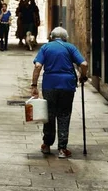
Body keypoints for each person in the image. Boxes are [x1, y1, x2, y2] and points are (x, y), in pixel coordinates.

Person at [31, 27, 88, 159]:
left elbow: (38, 66)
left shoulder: (46, 48)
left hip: (49, 85)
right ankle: (62, 149)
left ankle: (46, 145)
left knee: (49, 115)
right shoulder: (70, 47)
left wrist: (34, 85)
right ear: (65, 37)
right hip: (67, 86)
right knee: (64, 114)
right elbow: (84, 64)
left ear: (52, 37)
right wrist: (83, 76)